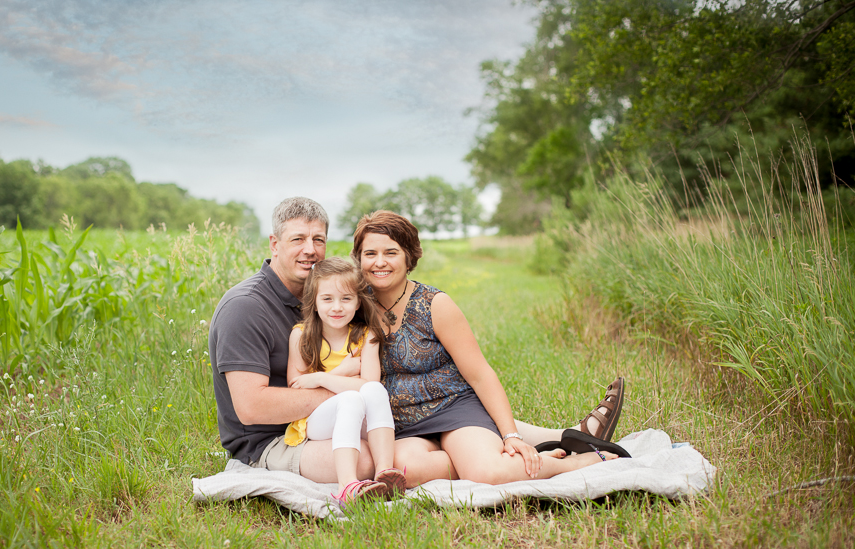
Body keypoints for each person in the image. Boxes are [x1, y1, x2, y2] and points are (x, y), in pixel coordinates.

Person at [352, 210, 627, 488]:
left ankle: (571, 462)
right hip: (402, 426)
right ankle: (473, 457)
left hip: (453, 409)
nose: (379, 262)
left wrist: (511, 436)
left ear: (408, 257)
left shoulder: (434, 304)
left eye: (391, 252)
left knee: (487, 473)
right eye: (370, 254)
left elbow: (480, 374)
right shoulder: (354, 306)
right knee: (402, 470)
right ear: (359, 259)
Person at [209, 197, 379, 484]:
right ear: (275, 244)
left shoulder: (328, 298)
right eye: (298, 239)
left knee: (394, 446)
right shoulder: (246, 307)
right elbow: (252, 407)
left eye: (318, 240)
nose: (310, 250)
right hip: (270, 441)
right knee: (362, 460)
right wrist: (349, 388)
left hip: (324, 422)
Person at [285, 257, 404, 505]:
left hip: (359, 415)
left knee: (373, 391)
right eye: (327, 299)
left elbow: (368, 386)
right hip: (317, 419)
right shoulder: (301, 335)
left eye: (346, 299)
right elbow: (296, 386)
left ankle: (384, 472)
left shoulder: (365, 335)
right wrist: (340, 372)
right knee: (350, 398)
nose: (336, 307)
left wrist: (318, 378)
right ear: (314, 303)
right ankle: (346, 486)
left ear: (358, 301)